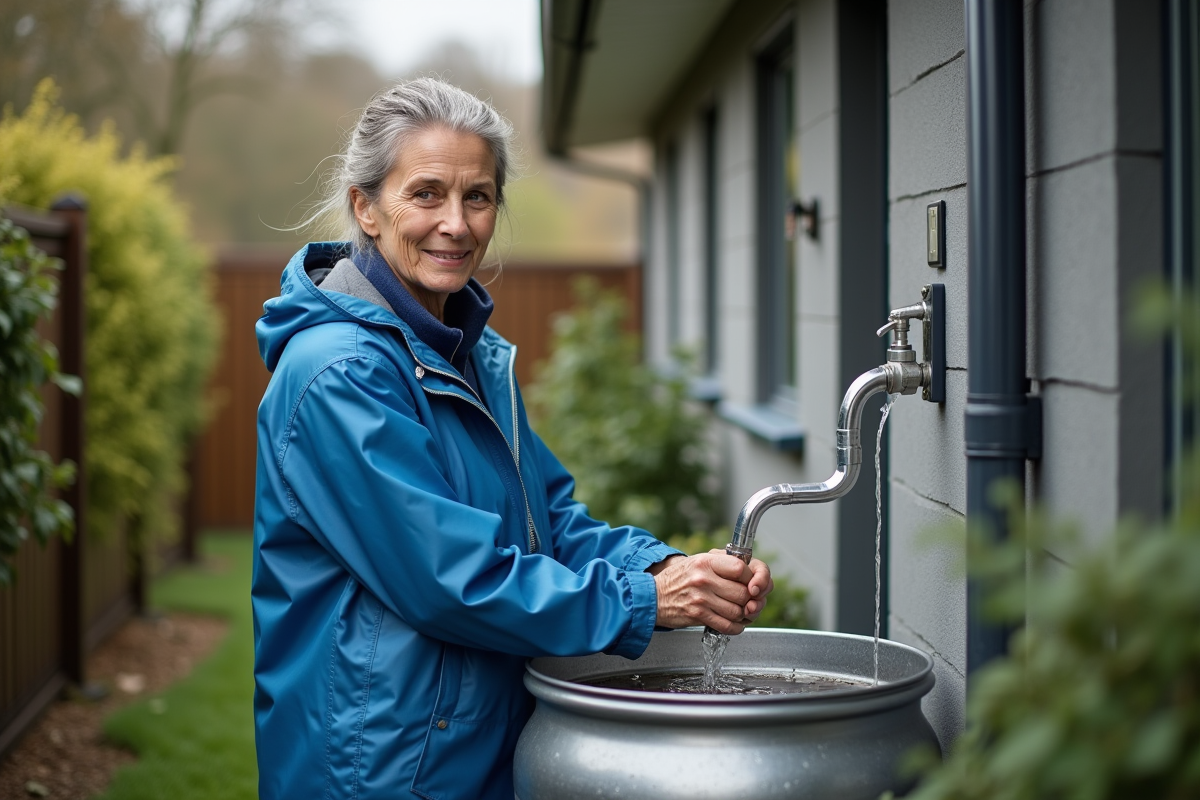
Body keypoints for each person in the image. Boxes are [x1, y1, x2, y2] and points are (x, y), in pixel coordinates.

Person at [252, 78, 773, 800]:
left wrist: (676, 570)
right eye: (426, 193)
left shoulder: (465, 354)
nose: (457, 224)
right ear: (366, 208)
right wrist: (646, 602)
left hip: (471, 745)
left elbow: (550, 524)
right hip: (384, 766)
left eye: (479, 196)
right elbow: (448, 579)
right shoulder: (339, 374)